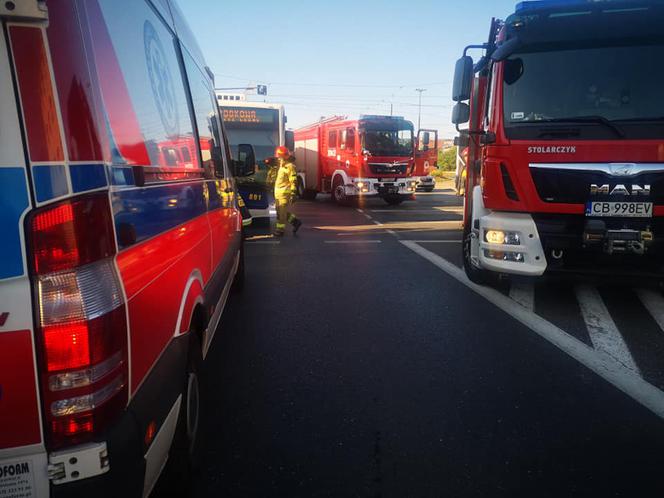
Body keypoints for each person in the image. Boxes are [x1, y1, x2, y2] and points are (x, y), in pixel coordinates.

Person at [273, 146, 302, 236]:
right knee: (279, 211)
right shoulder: (282, 166)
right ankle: (295, 222)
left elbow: (293, 181)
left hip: (284, 194)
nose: (278, 158)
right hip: (278, 193)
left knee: (281, 213)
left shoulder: (290, 167)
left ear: (283, 157)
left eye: (279, 157)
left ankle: (280, 230)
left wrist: (293, 193)